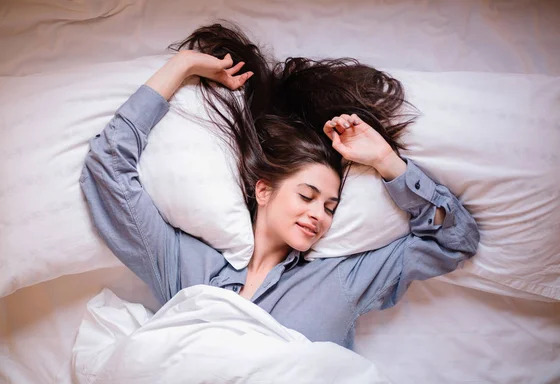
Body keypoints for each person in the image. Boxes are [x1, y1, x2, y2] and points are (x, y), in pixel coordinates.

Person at [80, 24, 479, 350]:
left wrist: (387, 163)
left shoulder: (342, 279)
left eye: (330, 207)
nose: (318, 216)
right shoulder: (187, 265)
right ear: (264, 191)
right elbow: (108, 169)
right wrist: (181, 68)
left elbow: (454, 240)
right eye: (307, 196)